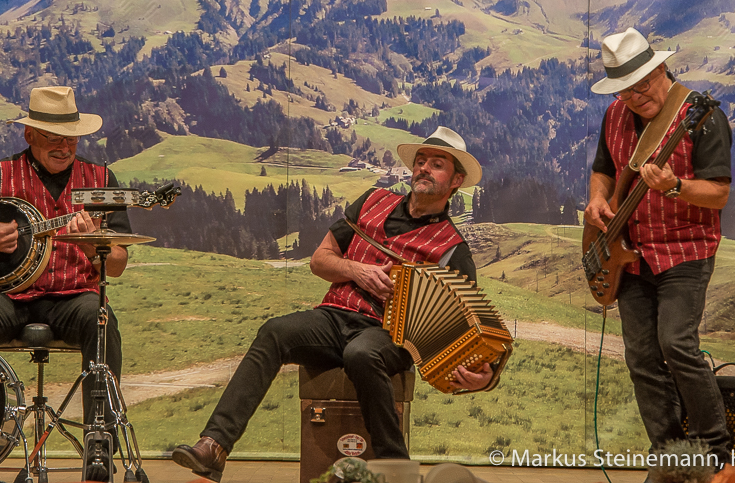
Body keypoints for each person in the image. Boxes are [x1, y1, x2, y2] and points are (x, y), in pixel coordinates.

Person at [173, 127, 495, 483]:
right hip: (333, 317)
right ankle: (214, 446)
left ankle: (397, 468)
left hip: (388, 335)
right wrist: (357, 271)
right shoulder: (371, 201)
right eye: (421, 161)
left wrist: (487, 375)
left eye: (436, 165)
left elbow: (470, 328)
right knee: (274, 332)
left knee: (361, 353)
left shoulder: (453, 249)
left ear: (456, 180)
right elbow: (320, 260)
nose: (423, 169)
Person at [0, 86, 130, 431]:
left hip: (73, 300)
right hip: (7, 300)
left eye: (72, 140)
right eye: (54, 139)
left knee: (99, 318)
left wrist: (91, 246)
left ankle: (100, 440)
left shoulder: (102, 181)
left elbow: (116, 266)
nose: (64, 148)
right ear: (29, 134)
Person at [584, 28, 733, 469]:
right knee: (642, 358)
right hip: (629, 254)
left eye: (641, 84)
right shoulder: (614, 115)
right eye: (625, 89)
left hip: (685, 251)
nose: (634, 95)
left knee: (676, 345)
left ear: (660, 68)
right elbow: (603, 170)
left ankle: (716, 454)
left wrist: (676, 186)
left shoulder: (701, 116)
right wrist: (596, 199)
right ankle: (669, 456)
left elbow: (719, 193)